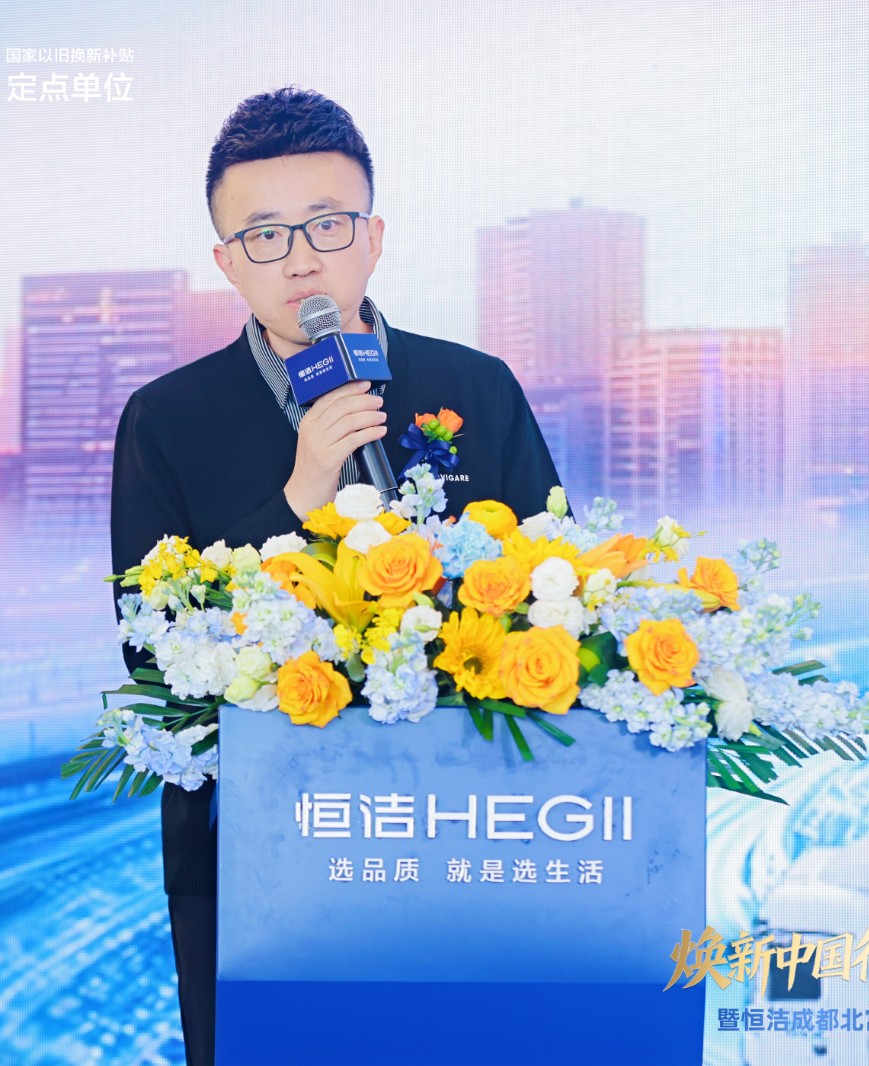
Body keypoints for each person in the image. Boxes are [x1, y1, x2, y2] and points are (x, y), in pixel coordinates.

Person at [109, 86, 562, 1066]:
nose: (301, 258)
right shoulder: (167, 419)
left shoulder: (475, 387)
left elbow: (558, 593)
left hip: (471, 834)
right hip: (255, 853)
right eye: (264, 235)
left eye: (326, 224)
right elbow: (154, 653)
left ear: (373, 237)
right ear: (227, 261)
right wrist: (299, 495)